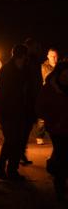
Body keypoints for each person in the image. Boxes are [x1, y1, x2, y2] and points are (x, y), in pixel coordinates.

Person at [0, 44, 38, 181]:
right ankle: (1, 165)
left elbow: (32, 92)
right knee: (11, 141)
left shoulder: (27, 70)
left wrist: (33, 111)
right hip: (9, 112)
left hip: (24, 112)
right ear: (22, 56)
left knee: (19, 143)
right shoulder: (6, 70)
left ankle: (12, 171)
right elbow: (0, 93)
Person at [36, 61, 68, 203]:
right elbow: (41, 107)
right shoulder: (49, 88)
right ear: (59, 73)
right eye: (65, 74)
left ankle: (53, 167)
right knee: (62, 155)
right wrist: (52, 119)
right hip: (57, 128)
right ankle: (60, 187)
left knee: (62, 155)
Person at [37, 48, 59, 145]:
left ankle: (55, 136)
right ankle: (39, 136)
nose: (54, 58)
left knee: (56, 116)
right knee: (43, 117)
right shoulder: (44, 67)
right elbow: (45, 79)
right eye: (51, 56)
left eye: (55, 56)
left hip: (57, 94)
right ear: (48, 56)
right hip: (47, 93)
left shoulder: (60, 66)